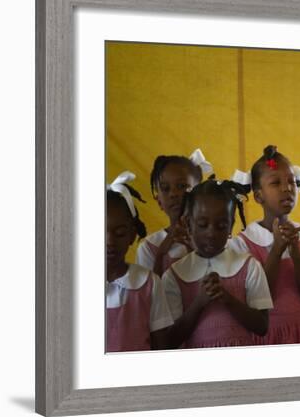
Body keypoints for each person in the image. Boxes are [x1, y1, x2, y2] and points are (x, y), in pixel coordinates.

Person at [162, 177, 273, 349]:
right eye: (202, 224)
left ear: (231, 227)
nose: (211, 233)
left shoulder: (248, 266)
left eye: (221, 226)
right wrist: (199, 302)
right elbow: (170, 341)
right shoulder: (175, 275)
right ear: (188, 224)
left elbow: (262, 327)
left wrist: (228, 299)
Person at [231, 145, 300, 345]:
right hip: (267, 339)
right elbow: (258, 300)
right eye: (275, 183)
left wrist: (295, 252)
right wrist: (277, 250)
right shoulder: (244, 244)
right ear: (258, 195)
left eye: (291, 181)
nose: (287, 188)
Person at [106, 171, 174, 352]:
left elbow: (161, 346)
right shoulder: (71, 286)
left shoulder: (149, 283)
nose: (110, 242)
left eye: (119, 233)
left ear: (132, 235)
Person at [136, 149, 211, 276]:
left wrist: (195, 250)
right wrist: (161, 254)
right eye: (165, 188)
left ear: (200, 194)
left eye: (182, 186)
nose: (173, 194)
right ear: (158, 200)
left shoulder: (214, 237)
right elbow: (149, 294)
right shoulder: (149, 247)